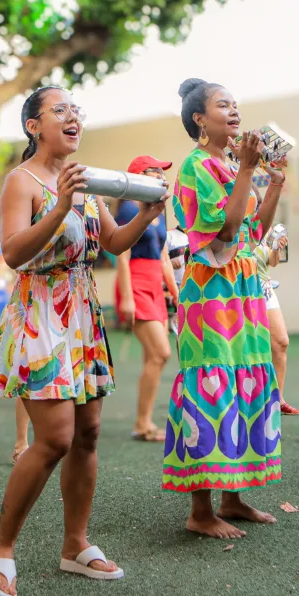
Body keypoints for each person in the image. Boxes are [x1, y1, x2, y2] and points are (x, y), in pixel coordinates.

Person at [0, 86, 164, 596]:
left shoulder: (88, 182)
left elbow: (114, 242)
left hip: (80, 314)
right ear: (33, 125)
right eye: (59, 110)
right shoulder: (22, 180)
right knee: (54, 438)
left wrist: (148, 213)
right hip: (39, 315)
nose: (72, 117)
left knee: (89, 433)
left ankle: (75, 545)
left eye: (75, 110)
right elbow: (13, 253)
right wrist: (59, 206)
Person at [162, 78, 284, 540]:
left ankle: (232, 498)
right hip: (210, 292)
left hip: (245, 287)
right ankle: (200, 510)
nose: (234, 112)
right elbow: (227, 230)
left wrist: (275, 183)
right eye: (222, 106)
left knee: (245, 378)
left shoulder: (233, 164)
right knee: (212, 385)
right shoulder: (196, 166)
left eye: (236, 105)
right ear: (199, 119)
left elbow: (255, 227)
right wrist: (249, 172)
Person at [114, 155, 179, 441]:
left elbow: (164, 255)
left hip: (155, 282)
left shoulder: (159, 209)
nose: (163, 177)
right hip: (136, 282)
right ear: (140, 176)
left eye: (163, 173)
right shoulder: (129, 210)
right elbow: (122, 255)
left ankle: (145, 421)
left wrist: (176, 294)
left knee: (154, 356)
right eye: (156, 172)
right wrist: (127, 298)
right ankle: (142, 423)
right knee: (161, 352)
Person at [253, 210, 299, 416]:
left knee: (281, 342)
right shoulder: (239, 224)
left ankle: (278, 399)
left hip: (265, 287)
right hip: (240, 287)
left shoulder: (267, 228)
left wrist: (276, 247)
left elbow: (272, 262)